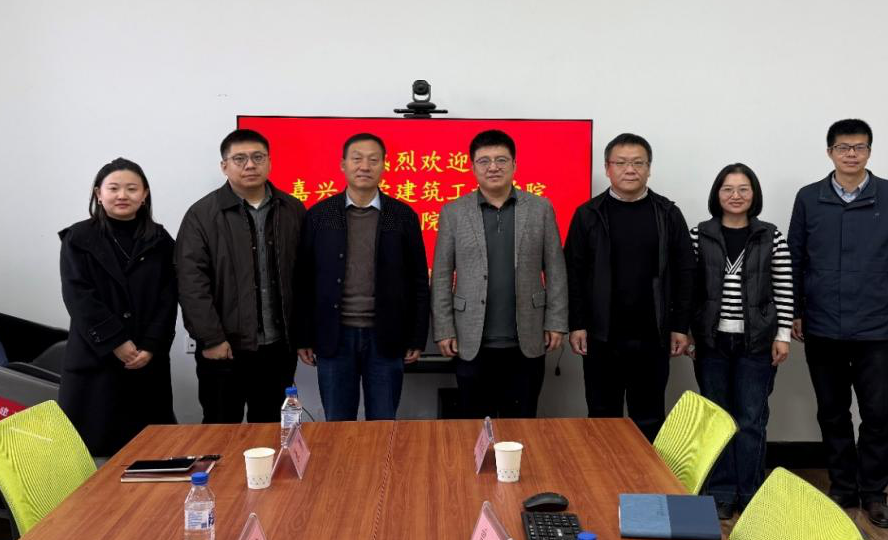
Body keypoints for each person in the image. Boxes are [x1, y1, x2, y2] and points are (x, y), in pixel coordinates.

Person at [788, 118, 888, 528]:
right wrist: (795, 311)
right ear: (830, 152)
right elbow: (794, 259)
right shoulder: (809, 198)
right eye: (843, 147)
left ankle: (874, 493)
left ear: (869, 151)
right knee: (832, 412)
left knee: (877, 413)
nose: (851, 154)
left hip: (876, 326)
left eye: (859, 147)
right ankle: (843, 486)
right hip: (822, 324)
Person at [563, 133, 694, 442]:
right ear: (607, 168)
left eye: (638, 163)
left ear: (649, 168)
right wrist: (576, 324)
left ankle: (644, 475)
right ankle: (602, 474)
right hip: (601, 337)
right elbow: (573, 273)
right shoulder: (588, 214)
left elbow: (685, 272)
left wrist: (680, 325)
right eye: (621, 163)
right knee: (601, 415)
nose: (630, 169)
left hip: (653, 336)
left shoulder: (668, 213)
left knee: (649, 417)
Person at [432, 129, 568, 419]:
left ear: (514, 165)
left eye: (501, 160)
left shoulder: (540, 208)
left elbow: (556, 269)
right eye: (484, 161)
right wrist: (444, 329)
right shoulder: (453, 212)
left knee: (521, 423)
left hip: (527, 339)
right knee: (475, 425)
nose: (493, 167)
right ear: (472, 167)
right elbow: (441, 275)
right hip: (471, 340)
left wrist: (556, 322)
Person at [296, 133, 430, 421]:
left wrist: (417, 337)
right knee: (338, 422)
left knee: (383, 421)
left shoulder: (402, 215)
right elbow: (304, 281)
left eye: (373, 160)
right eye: (357, 159)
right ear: (343, 164)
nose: (364, 166)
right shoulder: (320, 215)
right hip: (334, 337)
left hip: (387, 336)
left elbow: (419, 280)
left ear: (384, 165)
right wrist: (303, 336)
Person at [176, 129, 306, 423]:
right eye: (240, 159)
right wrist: (211, 339)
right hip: (225, 349)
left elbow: (304, 277)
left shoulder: (292, 209)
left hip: (278, 348)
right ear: (224, 166)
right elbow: (191, 283)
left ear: (269, 162)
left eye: (258, 157)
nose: (250, 165)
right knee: (222, 429)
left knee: (272, 428)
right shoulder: (201, 215)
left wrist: (302, 335)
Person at [688, 163, 793, 519]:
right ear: (717, 194)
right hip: (711, 342)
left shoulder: (770, 235)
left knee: (751, 419)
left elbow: (784, 288)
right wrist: (688, 332)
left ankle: (750, 493)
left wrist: (782, 336)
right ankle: (720, 491)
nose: (736, 196)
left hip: (757, 343)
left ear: (754, 194)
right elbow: (688, 289)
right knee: (717, 420)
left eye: (743, 189)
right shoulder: (699, 234)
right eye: (728, 189)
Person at [58, 158, 176, 456]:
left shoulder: (160, 240)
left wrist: (151, 345)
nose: (122, 195)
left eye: (131, 189)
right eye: (113, 188)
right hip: (95, 360)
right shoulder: (78, 238)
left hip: (146, 361)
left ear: (144, 194)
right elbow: (78, 296)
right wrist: (116, 342)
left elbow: (168, 298)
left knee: (151, 452)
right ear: (98, 193)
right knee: (92, 453)